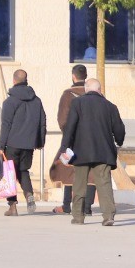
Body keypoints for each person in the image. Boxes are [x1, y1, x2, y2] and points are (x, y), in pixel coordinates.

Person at [59, 78, 125, 226]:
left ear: (86, 89)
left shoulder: (77, 103)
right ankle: (108, 216)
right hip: (104, 151)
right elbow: (119, 129)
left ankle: (78, 217)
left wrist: (65, 148)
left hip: (81, 151)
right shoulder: (110, 106)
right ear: (100, 90)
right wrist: (119, 141)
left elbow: (70, 127)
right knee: (104, 184)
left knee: (79, 184)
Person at [0, 69, 47, 216]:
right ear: (26, 80)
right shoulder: (36, 100)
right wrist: (40, 141)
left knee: (9, 174)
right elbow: (42, 121)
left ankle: (12, 206)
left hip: (12, 143)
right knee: (23, 171)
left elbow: (6, 125)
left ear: (14, 81)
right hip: (29, 144)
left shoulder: (9, 102)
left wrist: (0, 146)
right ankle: (29, 194)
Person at [53, 64, 95, 216]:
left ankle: (66, 205)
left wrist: (68, 135)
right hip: (93, 140)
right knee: (91, 172)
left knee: (69, 170)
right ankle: (87, 207)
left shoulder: (68, 95)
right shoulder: (95, 95)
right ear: (86, 76)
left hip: (73, 140)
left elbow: (62, 119)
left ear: (73, 76)